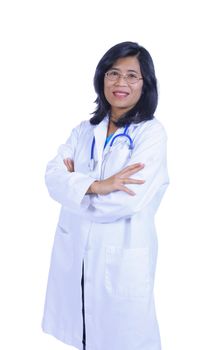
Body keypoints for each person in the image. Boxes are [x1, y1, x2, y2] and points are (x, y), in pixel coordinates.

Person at [41, 41, 169, 350]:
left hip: (121, 257)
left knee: (125, 338)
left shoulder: (150, 134)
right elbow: (52, 177)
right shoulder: (85, 130)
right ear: (102, 78)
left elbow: (127, 199)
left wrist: (75, 186)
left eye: (131, 76)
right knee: (86, 336)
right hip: (79, 258)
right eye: (113, 73)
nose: (120, 83)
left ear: (145, 84)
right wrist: (97, 186)